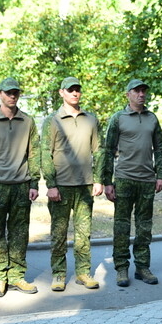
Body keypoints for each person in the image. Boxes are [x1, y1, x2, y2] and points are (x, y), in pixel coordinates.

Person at [100, 79, 162, 286]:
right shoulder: (118, 118)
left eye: (143, 91)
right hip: (124, 179)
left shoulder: (152, 119)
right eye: (137, 91)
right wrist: (107, 182)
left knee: (144, 226)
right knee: (121, 227)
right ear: (128, 94)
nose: (141, 94)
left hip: (147, 180)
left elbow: (160, 150)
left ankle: (142, 267)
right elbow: (108, 151)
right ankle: (121, 268)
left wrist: (160, 175)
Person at [0, 77, 41, 297]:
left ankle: (16, 275)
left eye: (15, 92)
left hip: (22, 185)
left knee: (19, 232)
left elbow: (34, 153)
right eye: (8, 92)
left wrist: (34, 182)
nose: (12, 96)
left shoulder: (28, 121)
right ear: (0, 94)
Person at [40, 77, 104, 291]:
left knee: (84, 233)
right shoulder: (52, 120)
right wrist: (51, 184)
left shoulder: (91, 119)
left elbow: (99, 151)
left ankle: (83, 272)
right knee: (59, 233)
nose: (75, 93)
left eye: (77, 90)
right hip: (61, 185)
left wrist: (98, 179)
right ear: (62, 93)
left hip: (85, 185)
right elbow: (45, 153)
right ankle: (58, 273)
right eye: (70, 90)